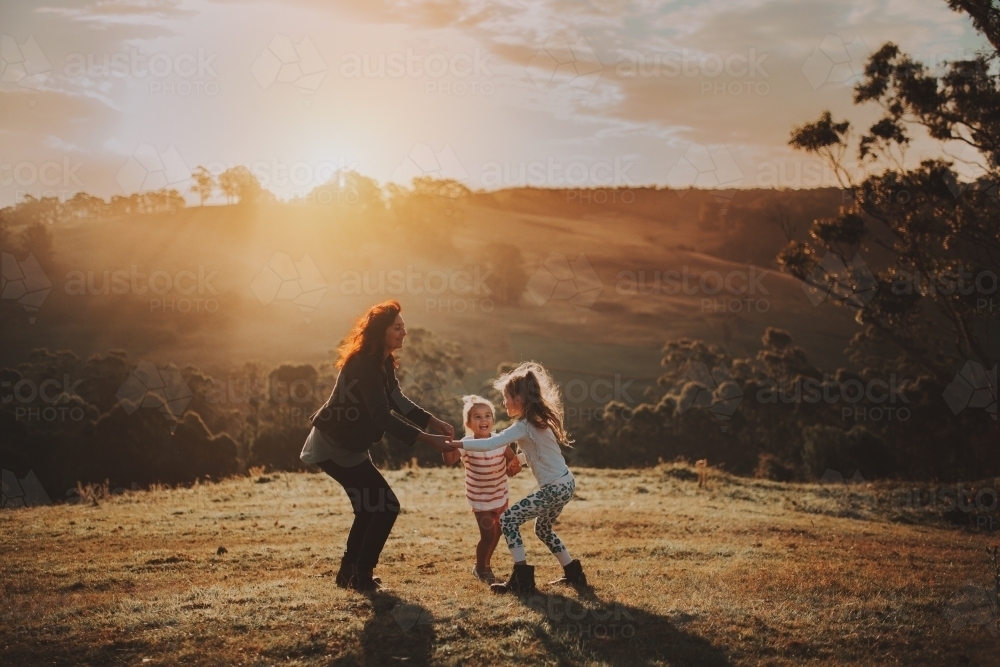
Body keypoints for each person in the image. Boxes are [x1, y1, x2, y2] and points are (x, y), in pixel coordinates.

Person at [301, 300, 456, 592]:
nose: (404, 333)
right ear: (380, 331)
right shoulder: (363, 366)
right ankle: (361, 576)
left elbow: (397, 400)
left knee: (369, 507)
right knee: (385, 506)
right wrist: (429, 441)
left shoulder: (382, 361)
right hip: (334, 445)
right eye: (397, 328)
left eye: (403, 327)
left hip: (350, 445)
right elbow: (382, 416)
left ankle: (349, 574)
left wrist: (435, 423)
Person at [455, 362, 586, 594]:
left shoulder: (524, 425)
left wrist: (455, 443)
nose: (504, 403)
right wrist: (520, 461)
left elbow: (491, 443)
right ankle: (573, 573)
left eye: (506, 398)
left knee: (507, 519)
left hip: (553, 488)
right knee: (543, 529)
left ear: (519, 398)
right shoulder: (539, 420)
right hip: (566, 483)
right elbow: (539, 451)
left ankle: (522, 578)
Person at [442, 395, 521, 583]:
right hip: (480, 500)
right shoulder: (466, 444)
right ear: (468, 423)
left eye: (487, 415)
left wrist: (513, 468)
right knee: (487, 535)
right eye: (477, 417)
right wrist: (446, 443)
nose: (483, 420)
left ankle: (485, 563)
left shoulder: (501, 441)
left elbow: (513, 463)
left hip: (500, 495)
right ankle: (480, 568)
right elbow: (449, 460)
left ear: (493, 420)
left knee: (499, 531)